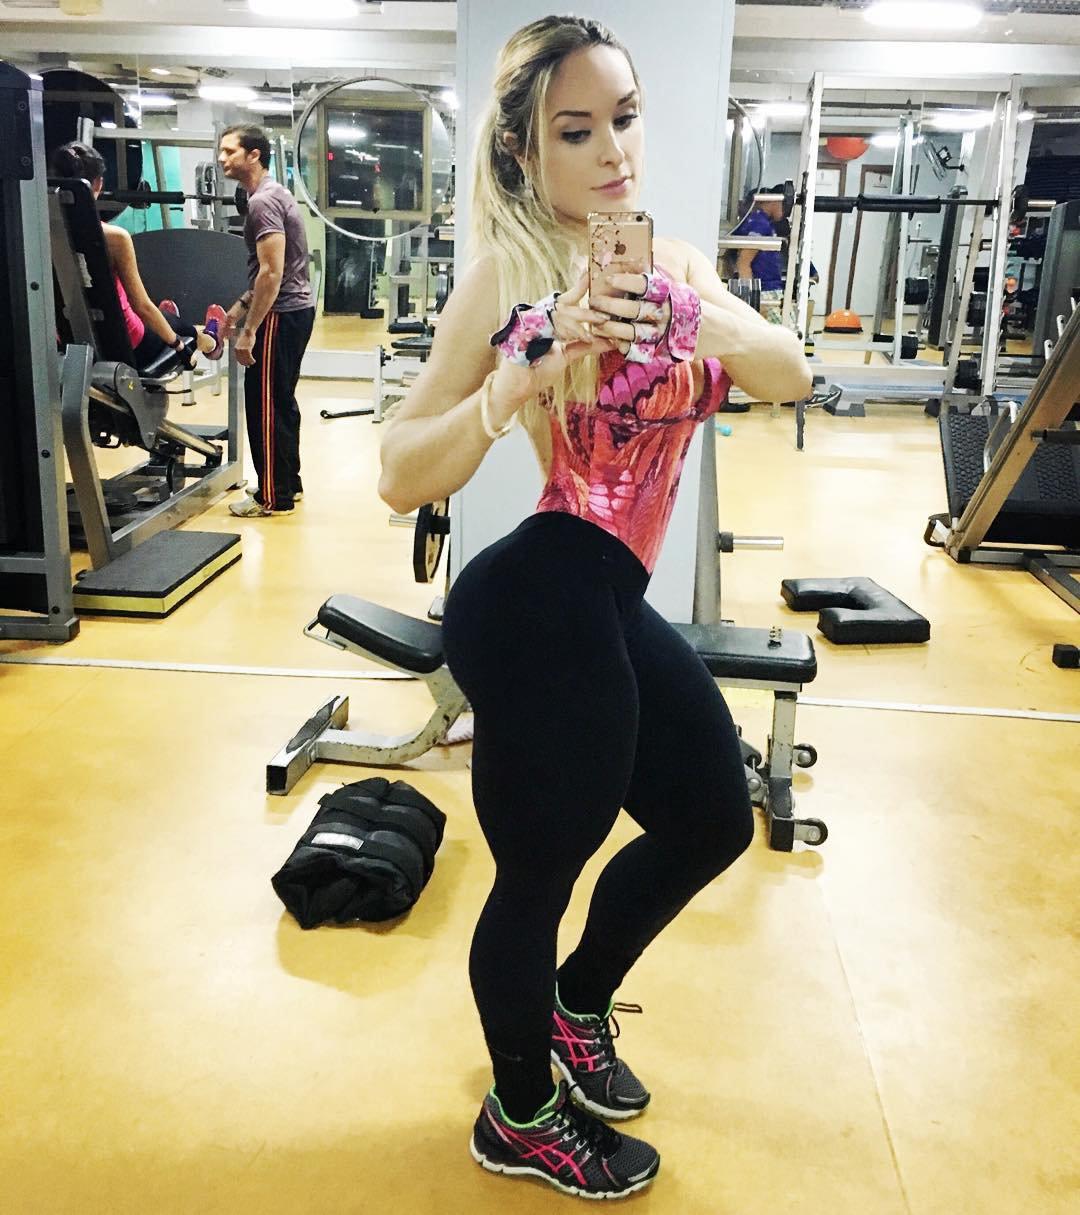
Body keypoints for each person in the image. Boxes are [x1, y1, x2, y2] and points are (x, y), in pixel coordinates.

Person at [379, 16, 812, 1201]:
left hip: (609, 598)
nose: (613, 150)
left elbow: (790, 374)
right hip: (536, 601)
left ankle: (576, 1007)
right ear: (525, 151)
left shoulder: (680, 265)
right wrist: (513, 378)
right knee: (539, 874)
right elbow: (398, 472)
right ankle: (518, 1114)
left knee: (711, 820)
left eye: (624, 118)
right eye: (577, 131)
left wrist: (695, 312)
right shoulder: (509, 274)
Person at [50, 142, 227, 371]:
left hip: (70, 342)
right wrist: (179, 347)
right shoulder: (115, 238)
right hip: (130, 345)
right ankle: (211, 341)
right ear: (98, 184)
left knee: (165, 319)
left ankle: (177, 324)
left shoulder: (35, 234)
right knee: (181, 328)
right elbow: (142, 306)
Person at [218, 124, 315, 517]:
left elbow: (272, 273)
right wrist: (239, 308)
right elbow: (276, 270)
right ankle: (288, 483)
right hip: (294, 310)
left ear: (254, 154)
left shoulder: (262, 202)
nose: (222, 158)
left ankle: (273, 497)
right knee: (280, 400)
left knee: (264, 406)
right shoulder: (270, 195)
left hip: (281, 313)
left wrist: (249, 332)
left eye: (230, 151)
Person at [732, 184, 789, 324]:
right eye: (785, 206)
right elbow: (743, 263)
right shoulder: (759, 224)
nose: (786, 212)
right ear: (775, 201)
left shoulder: (762, 222)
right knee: (785, 333)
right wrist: (750, 300)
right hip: (765, 291)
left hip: (769, 289)